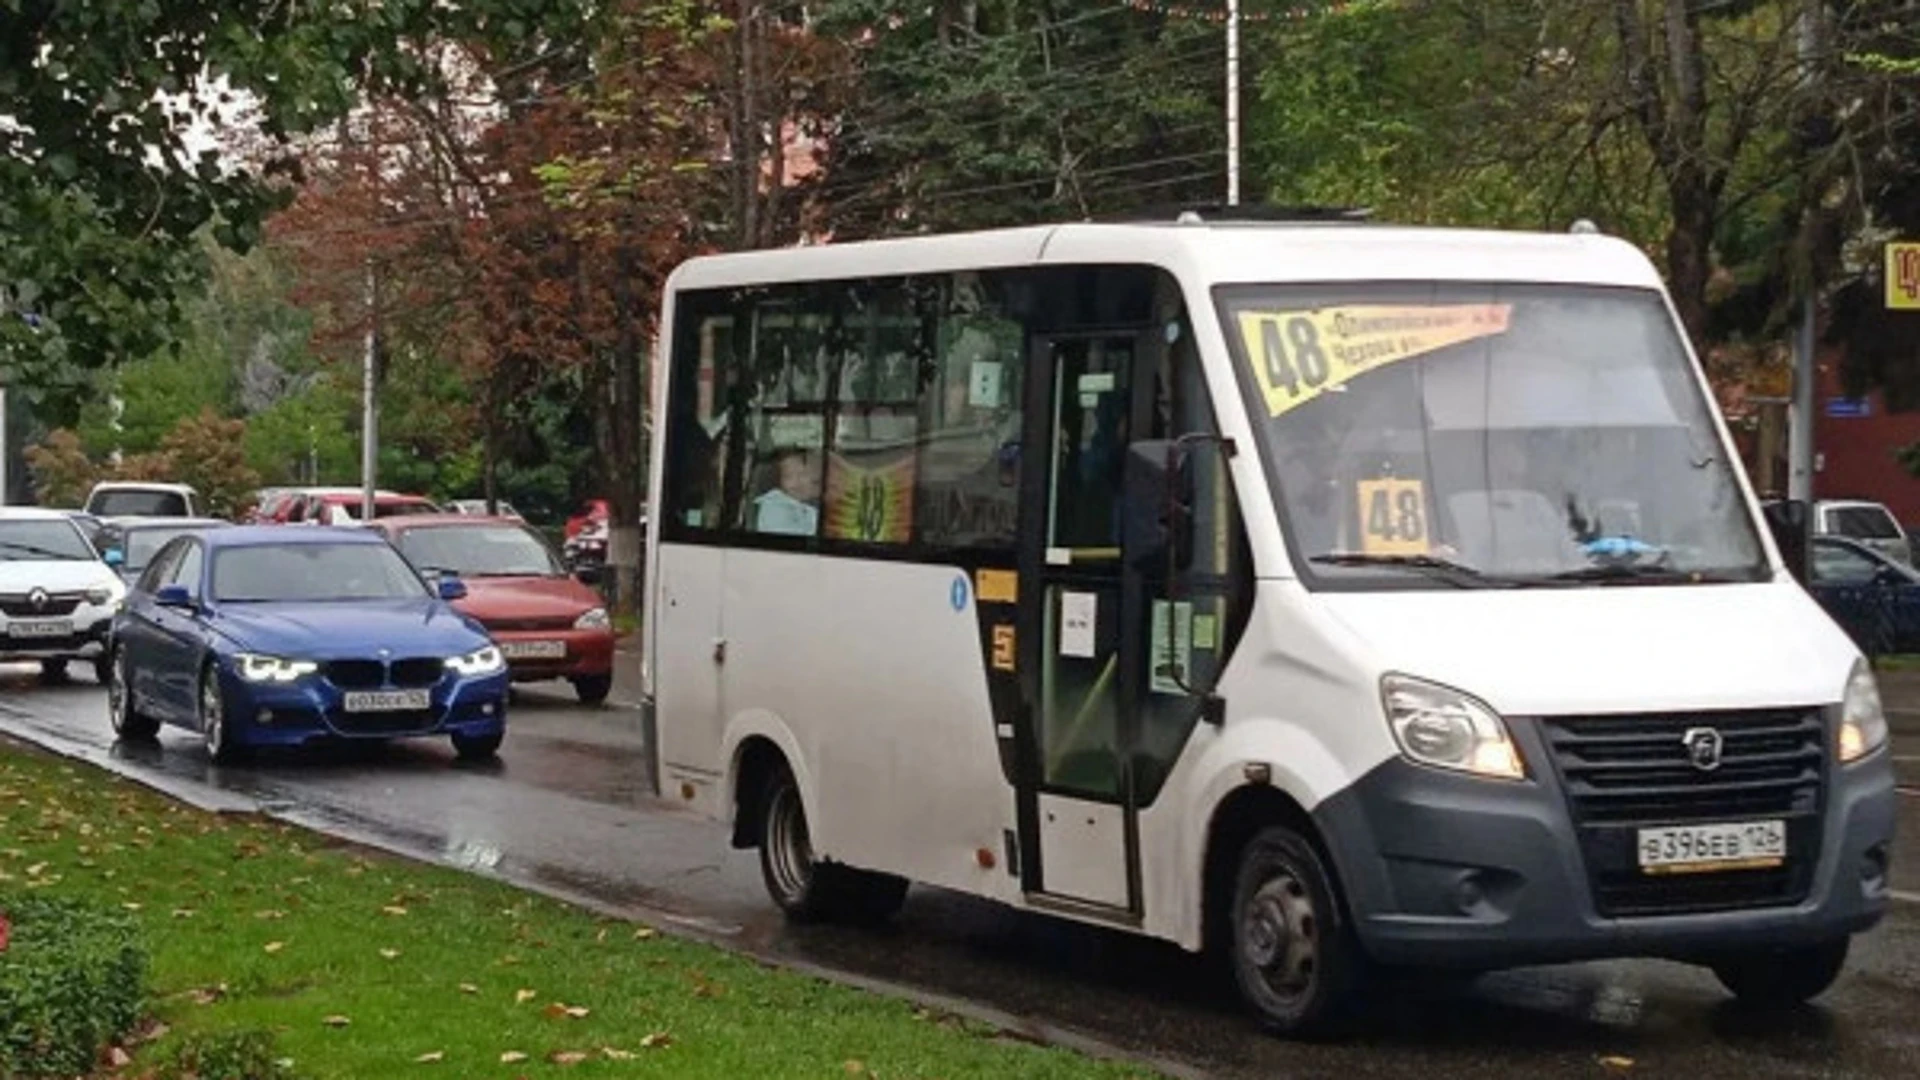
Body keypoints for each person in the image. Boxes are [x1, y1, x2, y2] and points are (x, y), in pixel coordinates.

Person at [754, 447, 820, 536]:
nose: (796, 482)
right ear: (779, 482)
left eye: (802, 474)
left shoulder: (812, 500)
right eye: (788, 476)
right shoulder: (773, 506)